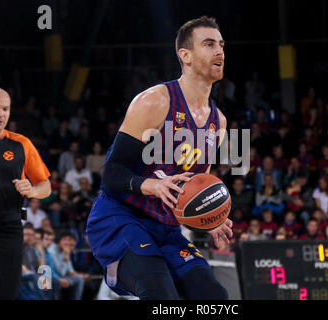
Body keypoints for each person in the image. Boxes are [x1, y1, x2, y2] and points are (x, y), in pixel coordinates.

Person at [86, 16, 231, 300]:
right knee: (161, 294)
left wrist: (209, 218)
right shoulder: (154, 101)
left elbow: (193, 189)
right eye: (209, 44)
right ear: (185, 55)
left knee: (214, 296)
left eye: (222, 45)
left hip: (165, 228)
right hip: (120, 218)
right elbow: (111, 174)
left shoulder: (219, 123)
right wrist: (152, 185)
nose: (220, 51)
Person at [0, 88, 51, 300]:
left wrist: (32, 190)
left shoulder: (21, 144)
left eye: (5, 109)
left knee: (7, 294)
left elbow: (46, 186)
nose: (1, 114)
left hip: (8, 229)